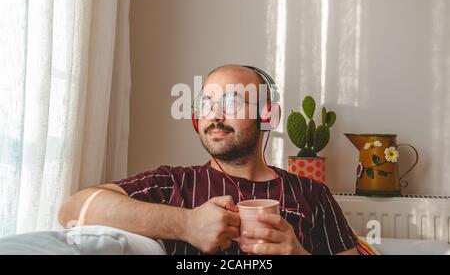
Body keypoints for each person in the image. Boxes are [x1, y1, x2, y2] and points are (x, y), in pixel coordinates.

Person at [58, 64, 358, 255]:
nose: (215, 115)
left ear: (267, 116)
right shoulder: (173, 183)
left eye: (233, 102)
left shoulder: (312, 194)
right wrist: (186, 224)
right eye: (206, 104)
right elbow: (74, 209)